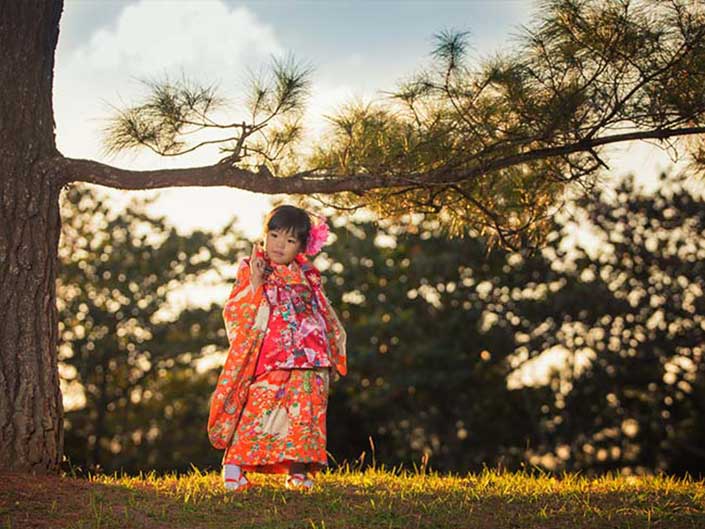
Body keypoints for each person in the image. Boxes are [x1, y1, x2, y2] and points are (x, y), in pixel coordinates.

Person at [207, 205, 347, 491]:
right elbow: (235, 310)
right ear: (264, 235)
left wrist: (331, 350)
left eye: (290, 240)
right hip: (270, 355)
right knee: (260, 408)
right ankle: (233, 467)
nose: (279, 245)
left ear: (302, 246)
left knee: (305, 413)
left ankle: (297, 471)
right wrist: (256, 284)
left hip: (310, 357)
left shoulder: (307, 274)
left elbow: (322, 313)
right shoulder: (253, 266)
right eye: (274, 235)